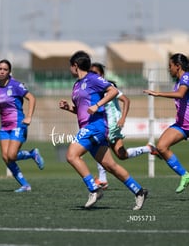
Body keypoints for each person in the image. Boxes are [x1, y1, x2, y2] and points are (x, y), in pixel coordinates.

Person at [59, 50, 148, 210]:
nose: (70, 69)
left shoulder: (92, 78)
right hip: (89, 127)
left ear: (75, 65)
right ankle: (139, 191)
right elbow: (83, 110)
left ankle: (94, 189)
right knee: (110, 165)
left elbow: (113, 90)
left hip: (96, 127)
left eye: (70, 66)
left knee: (71, 156)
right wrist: (68, 108)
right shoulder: (77, 85)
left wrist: (98, 105)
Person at [90, 63, 161, 189]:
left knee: (99, 145)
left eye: (96, 73)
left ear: (102, 75)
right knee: (122, 155)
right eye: (91, 73)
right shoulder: (93, 89)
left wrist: (123, 118)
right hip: (105, 124)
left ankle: (102, 179)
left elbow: (126, 100)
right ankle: (148, 149)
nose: (93, 75)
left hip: (112, 124)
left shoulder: (109, 87)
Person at [0, 59, 44, 193]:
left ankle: (32, 154)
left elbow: (32, 98)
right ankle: (25, 185)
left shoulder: (16, 85)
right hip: (4, 127)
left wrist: (29, 117)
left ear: (9, 72)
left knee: (12, 155)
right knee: (6, 157)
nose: (2, 71)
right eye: (0, 69)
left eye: (5, 69)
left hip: (18, 124)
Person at [143, 53, 189, 193]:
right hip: (182, 125)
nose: (169, 69)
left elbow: (180, 94)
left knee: (161, 148)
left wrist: (157, 93)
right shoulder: (179, 80)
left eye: (170, 66)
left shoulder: (186, 77)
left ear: (178, 66)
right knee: (162, 147)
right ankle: (185, 175)